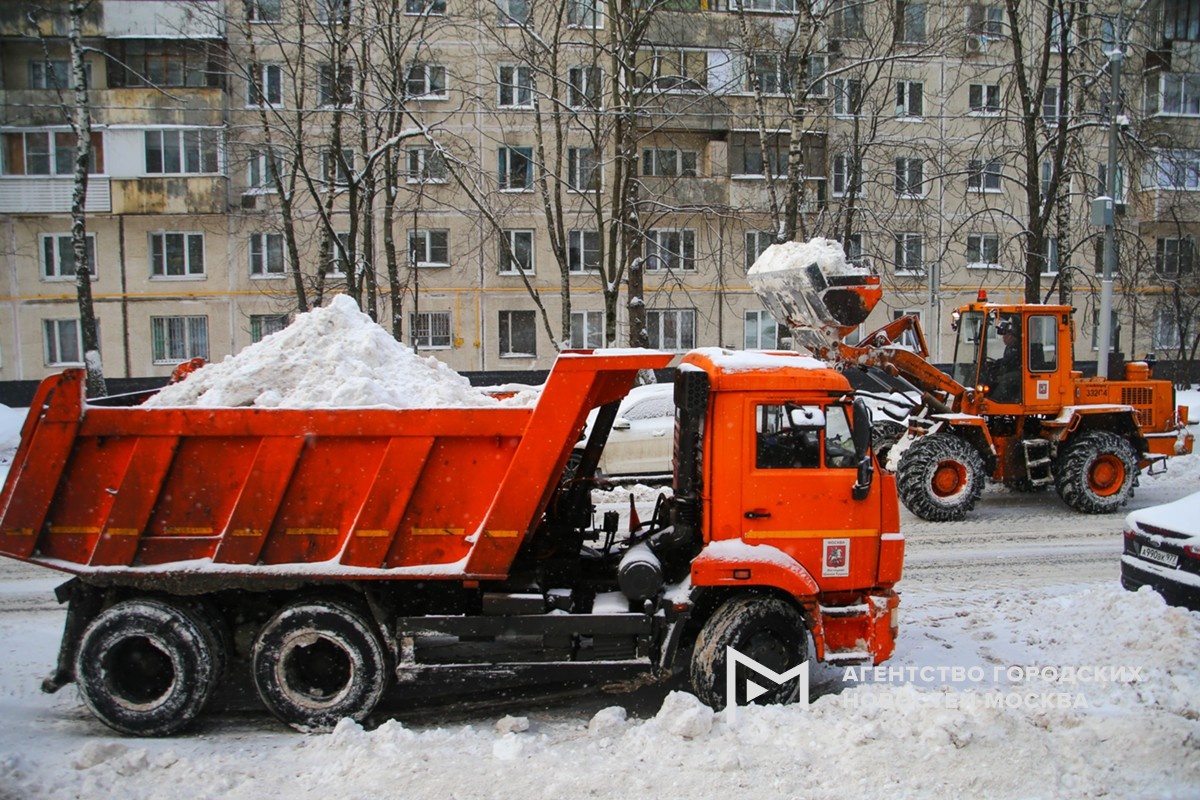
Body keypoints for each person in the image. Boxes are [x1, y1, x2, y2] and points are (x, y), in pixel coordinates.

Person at [991, 319, 1021, 402]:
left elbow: (1012, 360)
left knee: (1006, 379)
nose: (1003, 339)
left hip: (1020, 373)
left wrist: (1000, 362)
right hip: (1012, 371)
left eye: (1005, 336)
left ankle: (996, 399)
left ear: (1011, 336)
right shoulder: (1009, 347)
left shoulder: (1018, 347)